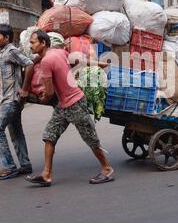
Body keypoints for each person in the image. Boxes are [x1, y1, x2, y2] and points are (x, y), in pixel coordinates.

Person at [24, 30, 114, 187]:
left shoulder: (46, 62)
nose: (30, 45)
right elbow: (80, 62)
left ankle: (107, 168)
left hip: (75, 104)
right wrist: (101, 64)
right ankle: (46, 174)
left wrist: (43, 96)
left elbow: (50, 92)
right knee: (50, 135)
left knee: (90, 138)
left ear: (43, 43)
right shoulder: (59, 52)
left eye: (33, 42)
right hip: (63, 105)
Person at [0, 24, 34, 180]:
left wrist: (24, 89)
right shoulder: (3, 52)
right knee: (16, 132)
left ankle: (9, 167)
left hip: (11, 100)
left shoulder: (11, 51)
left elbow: (29, 64)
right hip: (8, 98)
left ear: (7, 38)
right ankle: (25, 164)